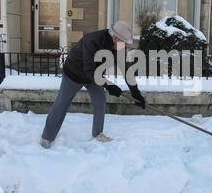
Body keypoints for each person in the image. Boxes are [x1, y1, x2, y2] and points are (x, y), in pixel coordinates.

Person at [40, 21, 146, 149]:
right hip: (74, 73)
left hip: (94, 76)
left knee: (100, 100)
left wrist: (136, 93)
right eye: (123, 41)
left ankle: (97, 134)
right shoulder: (92, 41)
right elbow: (89, 69)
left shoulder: (118, 46)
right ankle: (47, 137)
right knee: (62, 103)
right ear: (114, 38)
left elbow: (126, 69)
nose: (125, 45)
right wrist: (109, 85)